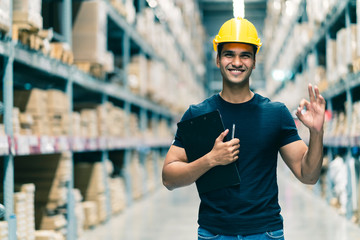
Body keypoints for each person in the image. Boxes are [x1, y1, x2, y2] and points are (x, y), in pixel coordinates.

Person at [162, 17, 325, 240]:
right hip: (214, 233)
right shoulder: (198, 114)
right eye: (229, 54)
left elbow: (309, 176)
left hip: (265, 232)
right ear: (217, 59)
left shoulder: (275, 114)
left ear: (254, 62)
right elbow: (169, 177)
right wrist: (210, 159)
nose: (237, 62)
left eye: (245, 55)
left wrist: (316, 133)